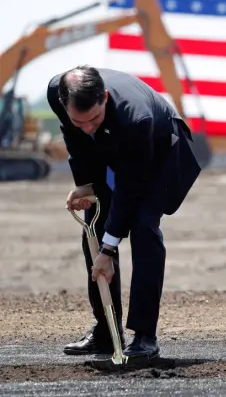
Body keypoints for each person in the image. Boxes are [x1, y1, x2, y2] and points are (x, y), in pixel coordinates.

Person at [47, 65, 201, 359]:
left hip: (160, 154)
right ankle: (106, 331)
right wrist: (85, 185)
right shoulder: (57, 94)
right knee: (93, 225)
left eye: (93, 118)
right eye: (80, 121)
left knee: (143, 227)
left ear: (104, 97)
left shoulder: (136, 116)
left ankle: (145, 335)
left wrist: (109, 247)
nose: (88, 127)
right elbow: (75, 139)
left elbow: (131, 186)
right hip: (114, 151)